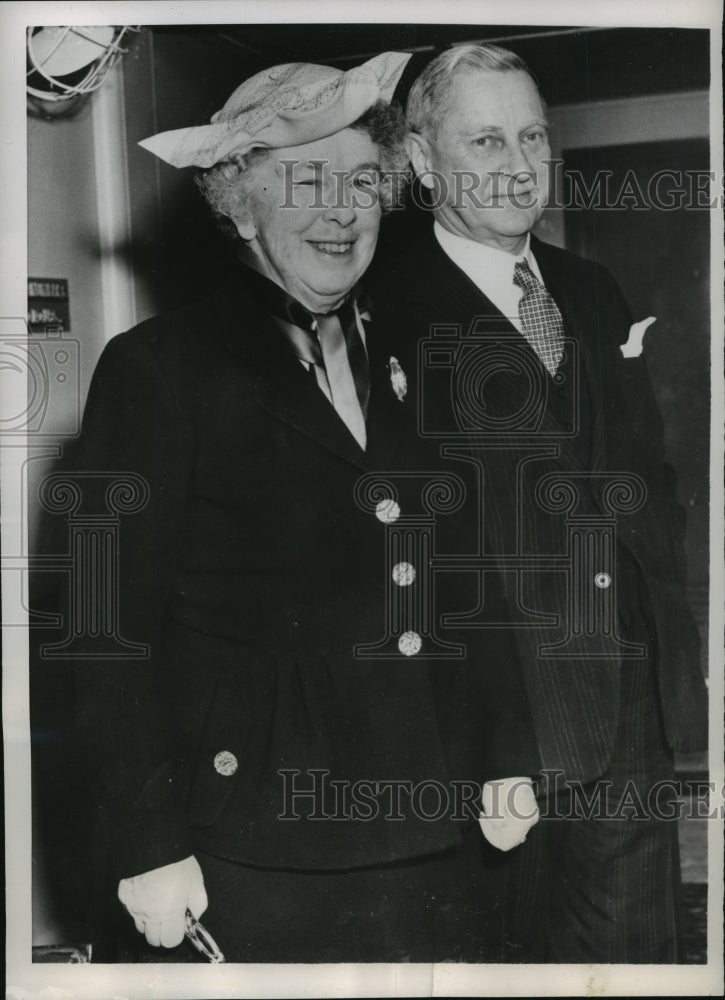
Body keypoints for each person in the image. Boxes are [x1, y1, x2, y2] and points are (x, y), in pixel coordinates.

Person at [33, 51, 549, 963]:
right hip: (256, 841)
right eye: (305, 181)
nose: (341, 210)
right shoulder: (159, 370)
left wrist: (506, 749)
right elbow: (101, 632)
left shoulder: (423, 355)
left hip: (440, 821)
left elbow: (469, 578)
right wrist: (146, 844)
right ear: (237, 204)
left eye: (360, 181)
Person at [368, 42, 709, 963]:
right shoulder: (376, 308)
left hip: (624, 710)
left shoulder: (589, 288)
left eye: (532, 137)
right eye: (485, 142)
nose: (518, 166)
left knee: (636, 963)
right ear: (423, 162)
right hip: (482, 717)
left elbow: (646, 476)